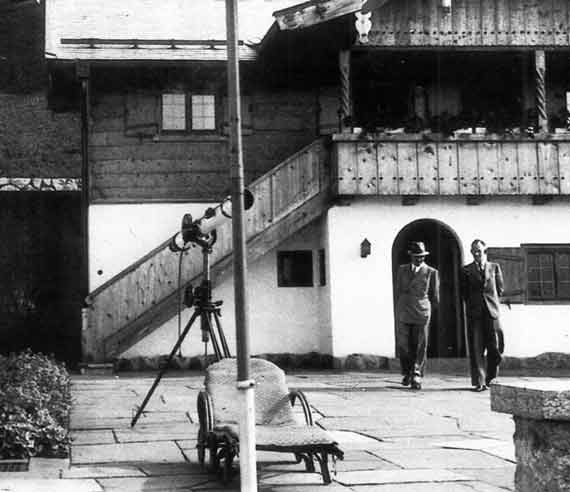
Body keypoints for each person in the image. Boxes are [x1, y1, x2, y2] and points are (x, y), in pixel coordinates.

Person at [461, 239, 504, 392]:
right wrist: (474, 305)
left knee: (495, 348)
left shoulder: (494, 267)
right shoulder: (466, 270)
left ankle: (491, 378)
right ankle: (479, 381)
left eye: (479, 250)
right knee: (476, 348)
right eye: (474, 251)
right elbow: (464, 293)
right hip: (475, 314)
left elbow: (500, 289)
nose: (477, 253)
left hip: (491, 313)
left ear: (485, 250)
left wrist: (491, 304)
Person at [396, 241, 440, 390]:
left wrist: (428, 310)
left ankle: (416, 373)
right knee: (403, 345)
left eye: (421, 256)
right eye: (416, 256)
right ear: (411, 257)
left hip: (422, 311)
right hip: (404, 310)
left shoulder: (431, 272)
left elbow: (435, 296)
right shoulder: (402, 270)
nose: (419, 259)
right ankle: (407, 371)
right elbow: (398, 290)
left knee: (421, 344)